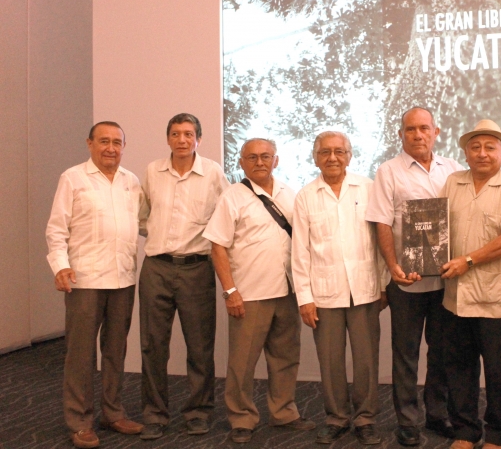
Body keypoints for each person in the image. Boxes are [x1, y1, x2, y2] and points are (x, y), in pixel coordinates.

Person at [366, 107, 501, 446]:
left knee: (448, 358)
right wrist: (393, 267)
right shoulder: (392, 172)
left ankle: (440, 417)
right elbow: (382, 222)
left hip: (450, 285)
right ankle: (411, 423)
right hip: (412, 283)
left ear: (436, 132)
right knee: (411, 355)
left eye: (424, 128)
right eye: (411, 129)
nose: (418, 135)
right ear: (401, 134)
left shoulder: (453, 169)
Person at [202, 138, 314, 444]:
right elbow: (218, 246)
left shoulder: (291, 194)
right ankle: (241, 418)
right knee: (242, 362)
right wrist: (230, 291)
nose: (259, 162)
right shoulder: (233, 197)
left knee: (286, 357)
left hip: (287, 292)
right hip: (249, 294)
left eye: (266, 156)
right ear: (241, 163)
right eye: (252, 157)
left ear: (276, 160)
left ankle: (284, 412)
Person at [46, 122, 145, 449]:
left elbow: (144, 224)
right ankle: (79, 421)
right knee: (81, 354)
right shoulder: (73, 178)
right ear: (90, 143)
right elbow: (56, 230)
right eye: (104, 141)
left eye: (117, 142)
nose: (111, 148)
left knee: (116, 351)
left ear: (124, 146)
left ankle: (112, 413)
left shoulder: (132, 182)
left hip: (123, 278)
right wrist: (60, 266)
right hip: (84, 279)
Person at [292, 131, 389, 446]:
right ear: (315, 156)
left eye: (339, 151)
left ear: (350, 155)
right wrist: (305, 299)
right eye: (325, 152)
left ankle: (365, 419)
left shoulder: (369, 188)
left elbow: (381, 240)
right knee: (330, 361)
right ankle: (336, 418)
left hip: (365, 291)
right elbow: (300, 253)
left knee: (366, 361)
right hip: (324, 295)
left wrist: (384, 284)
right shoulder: (306, 196)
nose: (332, 158)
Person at [137, 113, 229, 440]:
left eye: (188, 134)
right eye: (175, 134)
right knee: (152, 346)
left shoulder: (213, 173)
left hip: (197, 269)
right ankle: (154, 415)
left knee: (200, 347)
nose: (181, 140)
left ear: (198, 139)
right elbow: (142, 215)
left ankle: (198, 413)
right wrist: (163, 239)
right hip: (157, 269)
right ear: (168, 139)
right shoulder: (152, 171)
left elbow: (227, 217)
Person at [439, 120, 501, 449]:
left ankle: (499, 434)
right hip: (454, 298)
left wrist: (468, 261)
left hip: (494, 297)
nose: (482, 153)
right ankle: (465, 430)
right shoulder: (452, 182)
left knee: (498, 373)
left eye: (490, 147)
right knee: (459, 370)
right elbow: (434, 231)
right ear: (465, 152)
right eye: (475, 147)